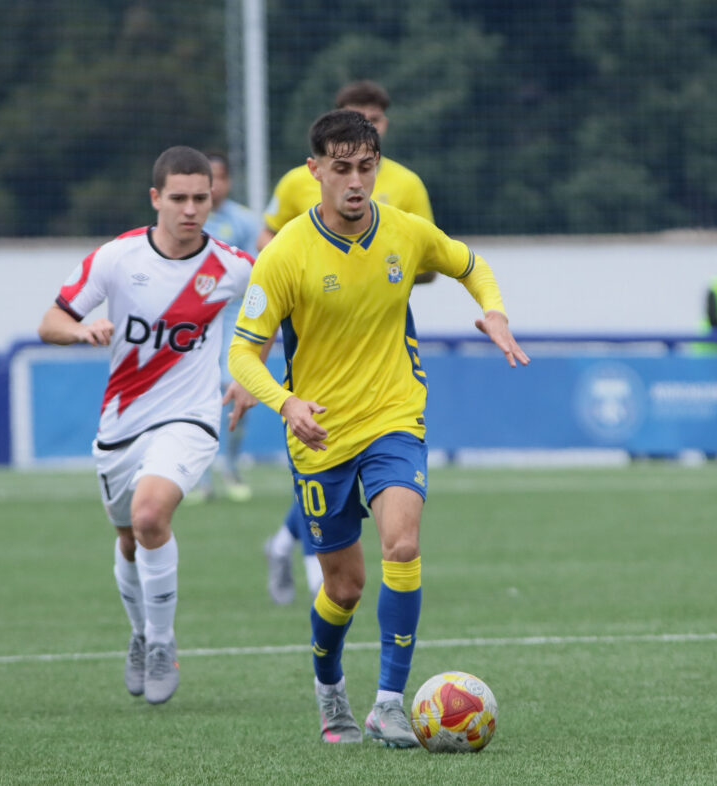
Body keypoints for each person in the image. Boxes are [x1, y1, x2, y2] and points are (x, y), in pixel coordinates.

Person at [228, 110, 529, 746]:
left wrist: (496, 312)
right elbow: (242, 354)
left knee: (403, 545)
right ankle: (330, 691)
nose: (356, 181)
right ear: (314, 171)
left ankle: (389, 702)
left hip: (394, 417)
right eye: (341, 168)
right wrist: (286, 403)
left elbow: (470, 264)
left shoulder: (404, 230)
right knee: (344, 588)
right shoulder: (284, 255)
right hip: (319, 435)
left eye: (366, 167)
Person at [37, 146, 257, 705]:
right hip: (122, 422)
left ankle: (162, 642)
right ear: (156, 198)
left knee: (150, 515)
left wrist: (249, 373)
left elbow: (276, 311)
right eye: (179, 198)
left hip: (190, 417)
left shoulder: (233, 266)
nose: (191, 209)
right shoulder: (118, 258)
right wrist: (80, 331)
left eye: (201, 198)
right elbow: (51, 320)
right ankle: (139, 634)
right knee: (128, 538)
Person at [260, 80, 437, 606]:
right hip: (318, 344)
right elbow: (269, 242)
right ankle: (297, 550)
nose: (354, 178)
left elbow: (432, 258)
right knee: (328, 460)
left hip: (378, 345)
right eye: (359, 116)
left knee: (377, 470)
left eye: (376, 120)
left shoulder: (406, 186)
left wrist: (385, 269)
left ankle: (294, 550)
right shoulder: (298, 183)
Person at [183, 151, 261, 503]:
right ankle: (199, 476)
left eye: (221, 178)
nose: (215, 187)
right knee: (194, 394)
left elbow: (257, 269)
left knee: (236, 386)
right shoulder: (187, 217)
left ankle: (230, 465)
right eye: (209, 179)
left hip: (232, 316)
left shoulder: (243, 220)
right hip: (192, 318)